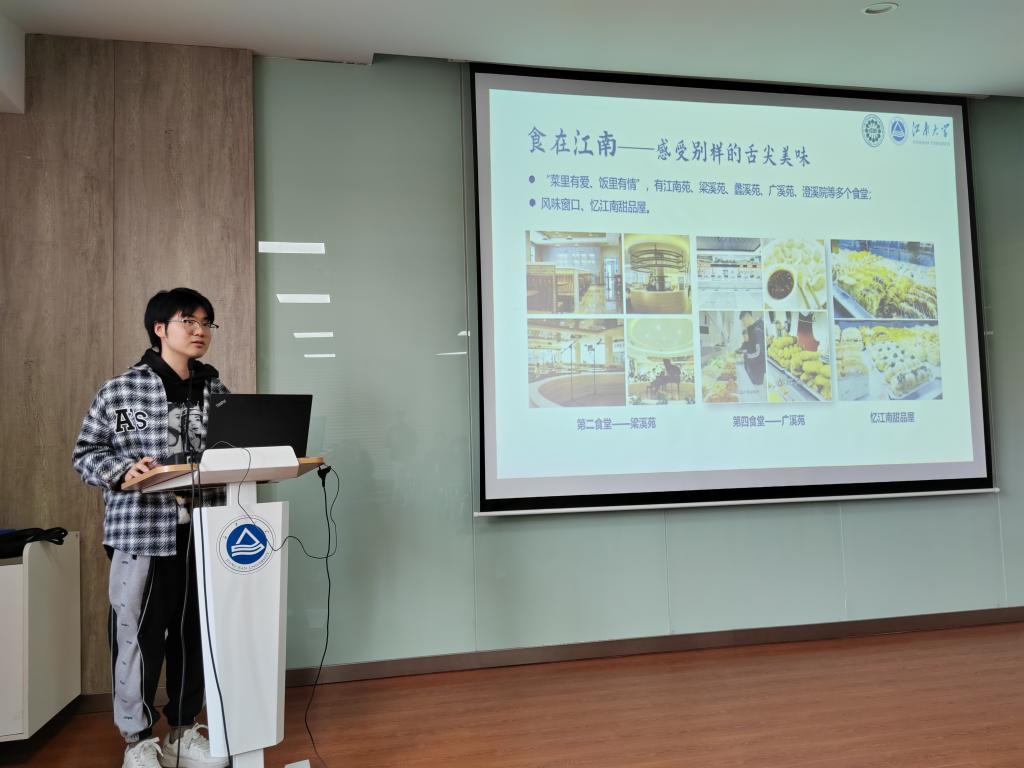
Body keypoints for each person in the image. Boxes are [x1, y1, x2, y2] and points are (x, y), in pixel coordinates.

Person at [72, 288, 230, 768]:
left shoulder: (217, 392)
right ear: (160, 329)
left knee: (193, 636)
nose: (200, 330)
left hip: (204, 532)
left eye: (206, 322)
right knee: (136, 639)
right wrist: (123, 470)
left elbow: (236, 453)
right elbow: (86, 453)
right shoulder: (121, 390)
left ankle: (183, 729)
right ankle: (138, 740)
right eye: (189, 321)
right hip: (141, 533)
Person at [738, 310, 766, 386]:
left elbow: (760, 353)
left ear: (748, 316)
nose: (743, 324)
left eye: (743, 321)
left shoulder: (757, 331)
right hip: (752, 367)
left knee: (755, 388)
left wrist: (746, 356)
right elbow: (749, 346)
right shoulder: (751, 330)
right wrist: (742, 352)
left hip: (757, 370)